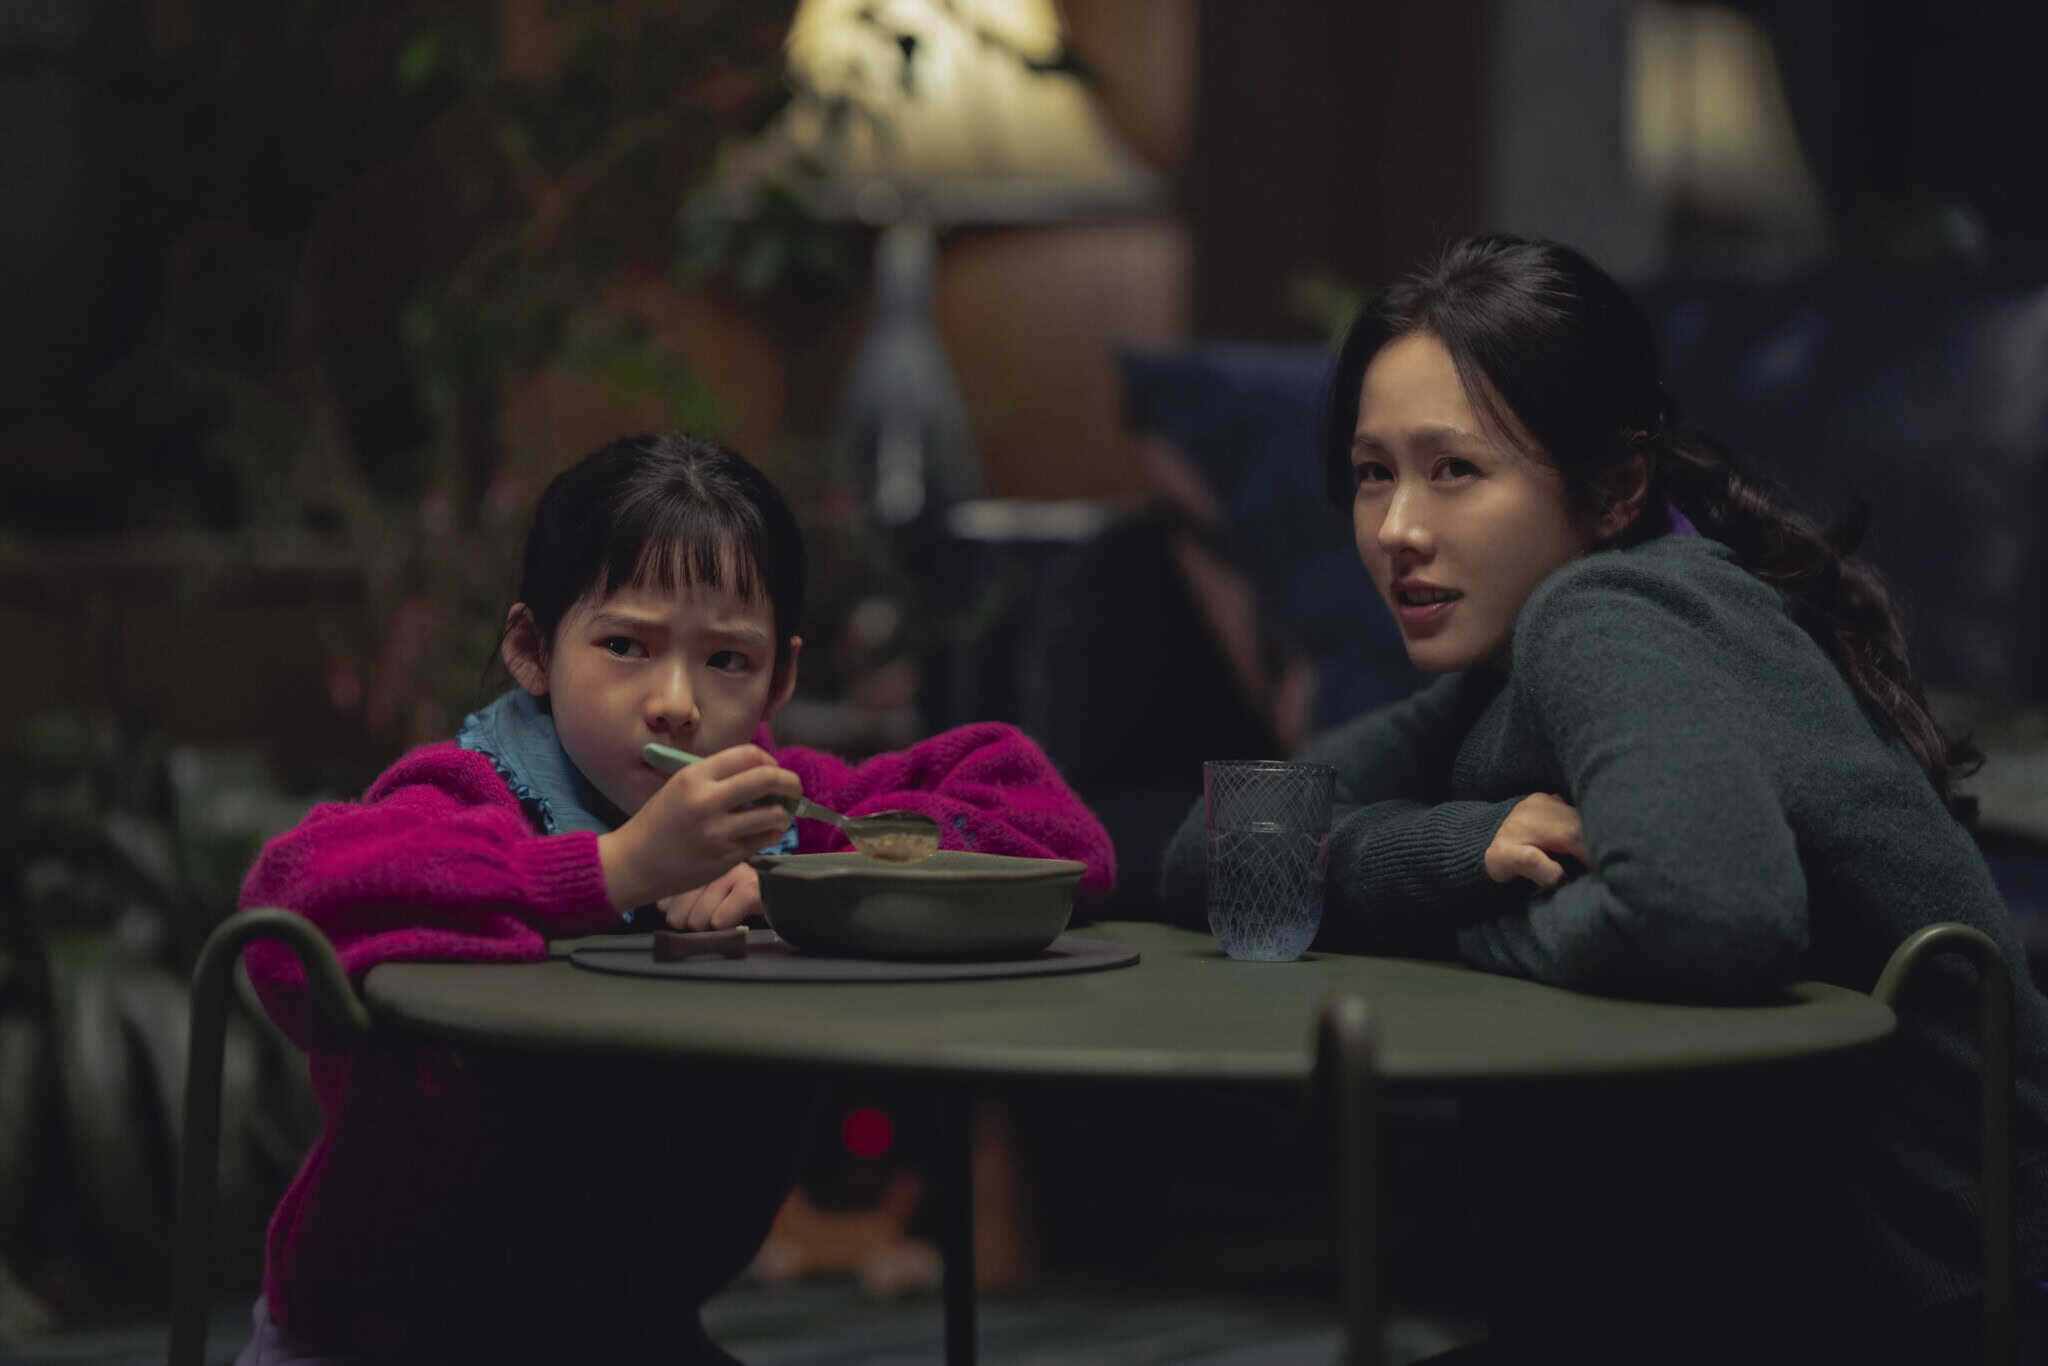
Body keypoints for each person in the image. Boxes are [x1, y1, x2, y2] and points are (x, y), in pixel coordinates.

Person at [1158, 235, 2048, 1363]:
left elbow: (1707, 911)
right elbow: (1214, 847)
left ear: (1618, 484)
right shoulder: (1509, 668)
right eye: (1373, 470)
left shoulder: (1612, 617)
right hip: (1752, 1286)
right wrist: (1462, 846)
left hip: (1912, 1309)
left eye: (1455, 470)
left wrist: (1449, 923)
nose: (1396, 530)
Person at [236, 432, 1116, 1364]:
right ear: (533, 650)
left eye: (727, 660)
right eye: (624, 645)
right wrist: (615, 868)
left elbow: (1060, 834)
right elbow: (287, 913)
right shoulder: (472, 793)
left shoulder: (781, 808)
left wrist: (805, 866)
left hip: (627, 1329)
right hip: (390, 1338)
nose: (675, 702)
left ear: (780, 675)